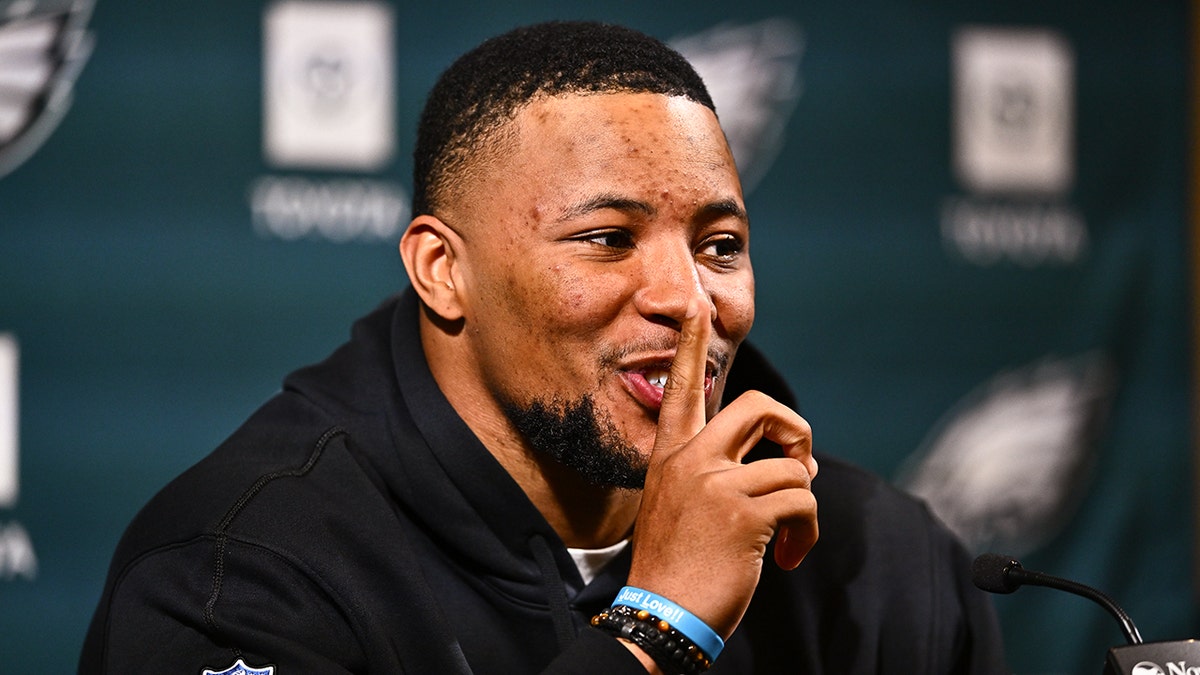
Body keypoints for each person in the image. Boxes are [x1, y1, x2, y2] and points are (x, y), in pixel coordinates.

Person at [80, 20, 1007, 674]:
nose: (689, 300)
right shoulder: (241, 570)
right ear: (444, 271)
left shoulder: (879, 562)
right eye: (608, 239)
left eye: (719, 245)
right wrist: (659, 625)